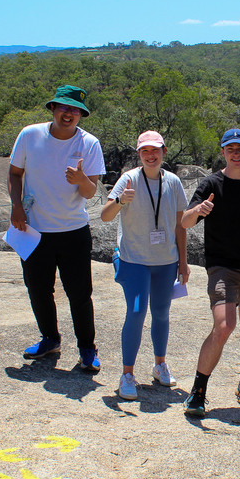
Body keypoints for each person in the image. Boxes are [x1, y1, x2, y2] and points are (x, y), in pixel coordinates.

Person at [8, 85, 105, 371]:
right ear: (53, 108)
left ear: (81, 115)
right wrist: (15, 205)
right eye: (64, 107)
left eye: (75, 109)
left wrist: (80, 179)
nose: (69, 113)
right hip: (35, 230)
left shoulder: (89, 144)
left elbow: (90, 192)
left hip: (73, 231)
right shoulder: (30, 135)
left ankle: (87, 347)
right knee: (38, 289)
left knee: (79, 293)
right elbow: (15, 173)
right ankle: (50, 339)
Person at [181, 128, 240, 417]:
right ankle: (198, 391)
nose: (236, 153)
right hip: (222, 268)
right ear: (222, 152)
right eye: (230, 148)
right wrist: (199, 210)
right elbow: (184, 222)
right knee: (224, 325)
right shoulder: (211, 183)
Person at [100, 131, 190, 401]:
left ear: (164, 151)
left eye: (156, 150)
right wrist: (119, 201)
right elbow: (105, 216)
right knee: (137, 312)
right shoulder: (128, 179)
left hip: (165, 260)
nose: (151, 156)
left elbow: (180, 225)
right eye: (145, 151)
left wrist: (183, 262)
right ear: (139, 154)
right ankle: (127, 374)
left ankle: (159, 364)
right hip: (134, 259)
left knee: (161, 313)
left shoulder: (172, 181)